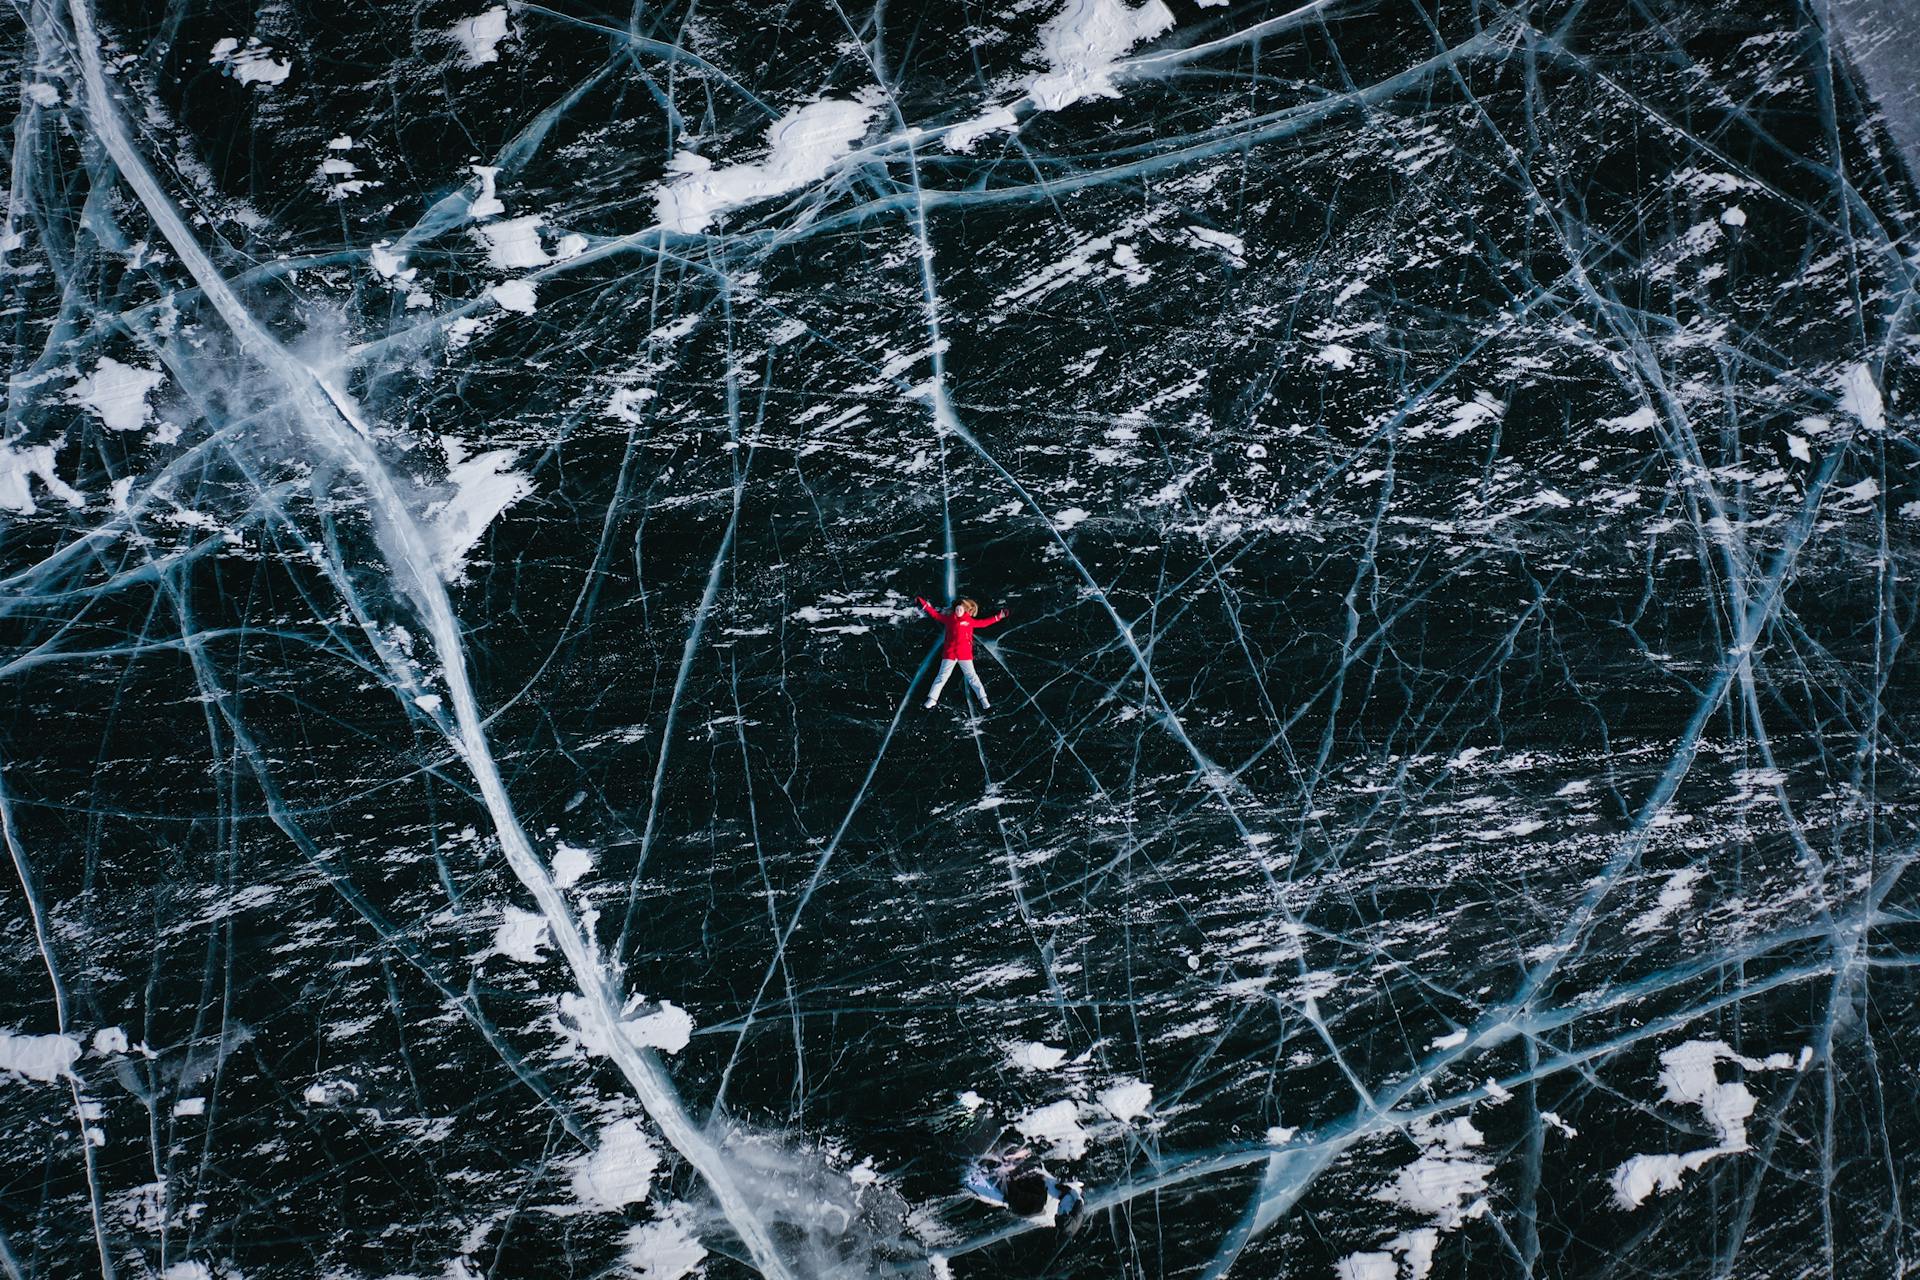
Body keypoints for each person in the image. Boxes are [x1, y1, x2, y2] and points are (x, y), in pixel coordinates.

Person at [962, 1145, 1086, 1236]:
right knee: (1021, 1152)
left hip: (1013, 1193)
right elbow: (1078, 1198)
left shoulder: (1036, 1207)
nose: (1061, 1210)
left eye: (1061, 1212)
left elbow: (1007, 1196)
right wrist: (1071, 1193)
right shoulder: (1073, 1203)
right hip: (1033, 1182)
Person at [915, 596, 1006, 710]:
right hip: (950, 654)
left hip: (964, 655)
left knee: (972, 677)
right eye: (957, 609)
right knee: (941, 677)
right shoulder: (949, 619)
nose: (958, 611)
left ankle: (983, 698)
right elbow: (934, 614)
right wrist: (923, 603)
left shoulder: (970, 621)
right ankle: (932, 699)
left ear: (965, 611)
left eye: (960, 609)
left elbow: (984, 623)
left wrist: (999, 617)